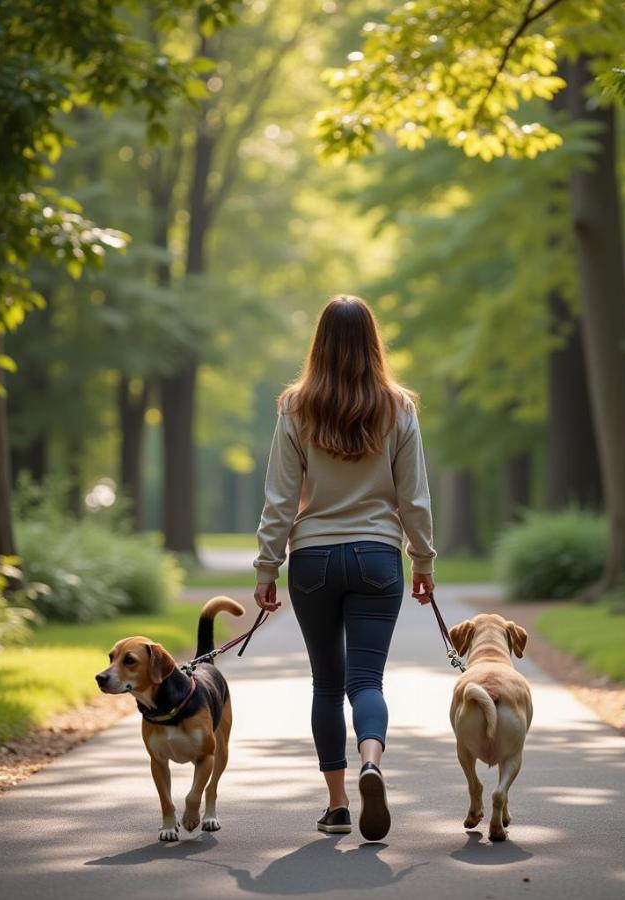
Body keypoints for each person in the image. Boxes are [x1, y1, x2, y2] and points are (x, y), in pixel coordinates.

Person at [253, 294, 436, 843]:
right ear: (372, 342)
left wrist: (267, 566)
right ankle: (372, 761)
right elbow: (415, 497)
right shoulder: (398, 407)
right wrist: (422, 559)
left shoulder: (295, 407)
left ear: (320, 343)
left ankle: (336, 806)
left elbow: (280, 499)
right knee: (366, 680)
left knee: (327, 684)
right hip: (378, 555)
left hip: (312, 559)